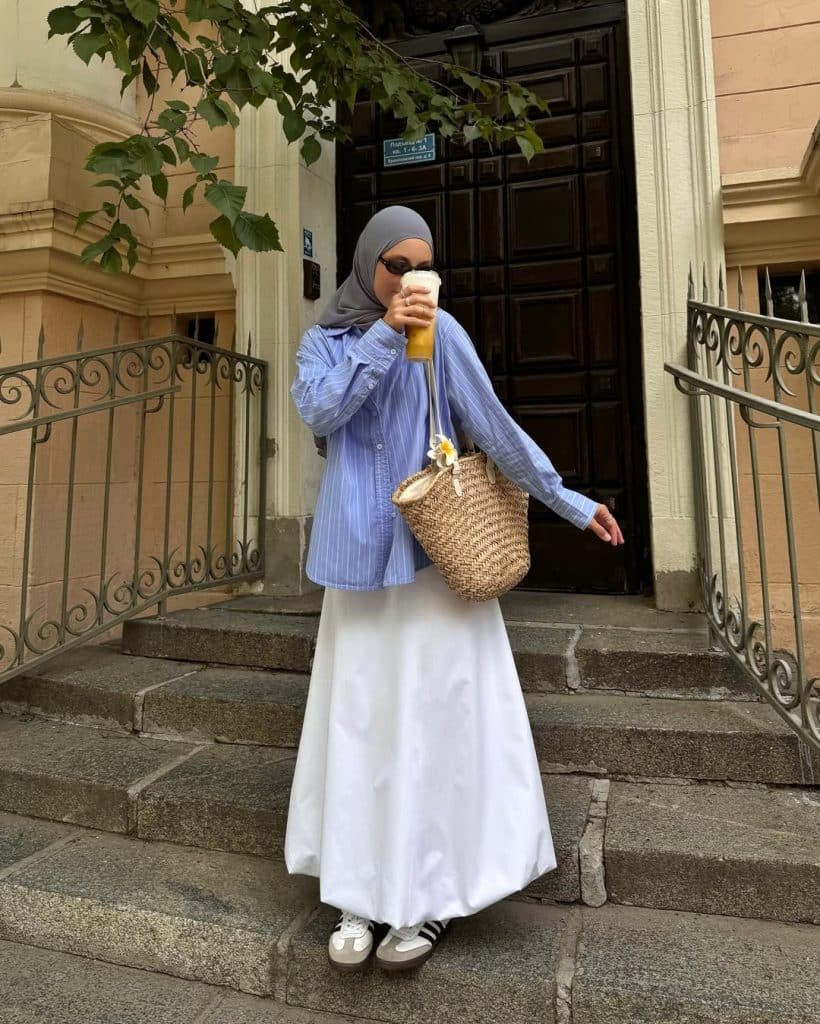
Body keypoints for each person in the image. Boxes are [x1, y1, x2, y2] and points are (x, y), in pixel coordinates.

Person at [284, 205, 624, 973]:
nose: (409, 279)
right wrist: (385, 336)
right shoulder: (325, 343)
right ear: (367, 264)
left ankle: (431, 898)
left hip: (432, 566)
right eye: (394, 266)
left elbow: (496, 430)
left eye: (422, 266)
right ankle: (358, 895)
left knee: (434, 731)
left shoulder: (447, 340)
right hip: (356, 573)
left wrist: (570, 502)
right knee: (360, 730)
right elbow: (321, 410)